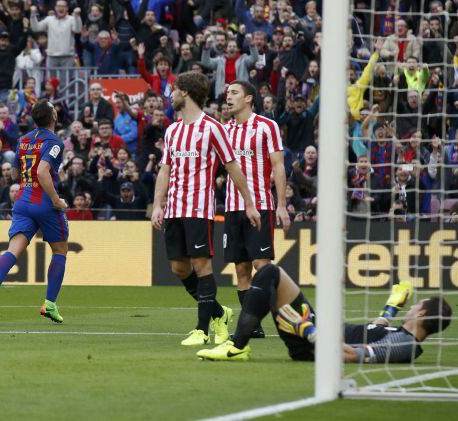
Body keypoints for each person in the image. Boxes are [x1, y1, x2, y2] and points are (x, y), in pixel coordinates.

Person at [150, 71, 261, 348]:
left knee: (201, 265)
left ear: (185, 92)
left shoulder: (213, 128)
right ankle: (220, 313)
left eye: (173, 90)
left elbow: (232, 166)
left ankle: (202, 329)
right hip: (174, 208)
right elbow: (165, 169)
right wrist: (157, 205)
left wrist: (249, 203)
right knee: (178, 268)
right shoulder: (173, 130)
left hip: (199, 208)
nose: (171, 95)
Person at [197, 264, 452, 363]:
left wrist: (307, 329)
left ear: (422, 315)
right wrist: (392, 306)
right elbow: (376, 329)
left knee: (269, 274)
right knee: (268, 273)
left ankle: (237, 345)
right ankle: (238, 343)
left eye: (418, 305)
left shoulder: (405, 344)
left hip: (313, 341)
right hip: (317, 328)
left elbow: (352, 354)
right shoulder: (401, 334)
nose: (413, 306)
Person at [0, 99, 69, 323]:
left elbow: (16, 174)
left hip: (22, 201)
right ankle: (49, 304)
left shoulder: (23, 140)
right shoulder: (55, 142)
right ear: (53, 117)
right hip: (44, 203)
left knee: (13, 250)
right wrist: (56, 200)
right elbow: (42, 171)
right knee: (60, 251)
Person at [223, 80, 290, 339]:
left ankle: (286, 321)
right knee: (241, 269)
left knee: (262, 265)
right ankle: (254, 325)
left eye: (234, 92)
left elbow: (278, 166)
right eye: (227, 93)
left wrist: (282, 204)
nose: (228, 97)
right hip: (232, 207)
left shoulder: (266, 126)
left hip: (260, 205)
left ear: (249, 98)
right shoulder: (225, 130)